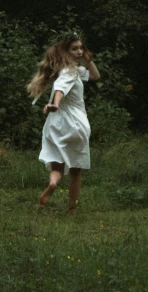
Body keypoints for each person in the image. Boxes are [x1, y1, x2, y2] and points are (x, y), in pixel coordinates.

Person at [26, 31, 100, 215]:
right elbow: (60, 89)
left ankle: (52, 183)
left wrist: (88, 60)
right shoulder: (69, 72)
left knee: (57, 166)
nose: (80, 52)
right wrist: (55, 104)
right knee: (75, 171)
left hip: (58, 125)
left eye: (81, 48)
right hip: (78, 124)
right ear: (65, 52)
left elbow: (94, 76)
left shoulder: (71, 71)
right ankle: (71, 210)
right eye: (75, 49)